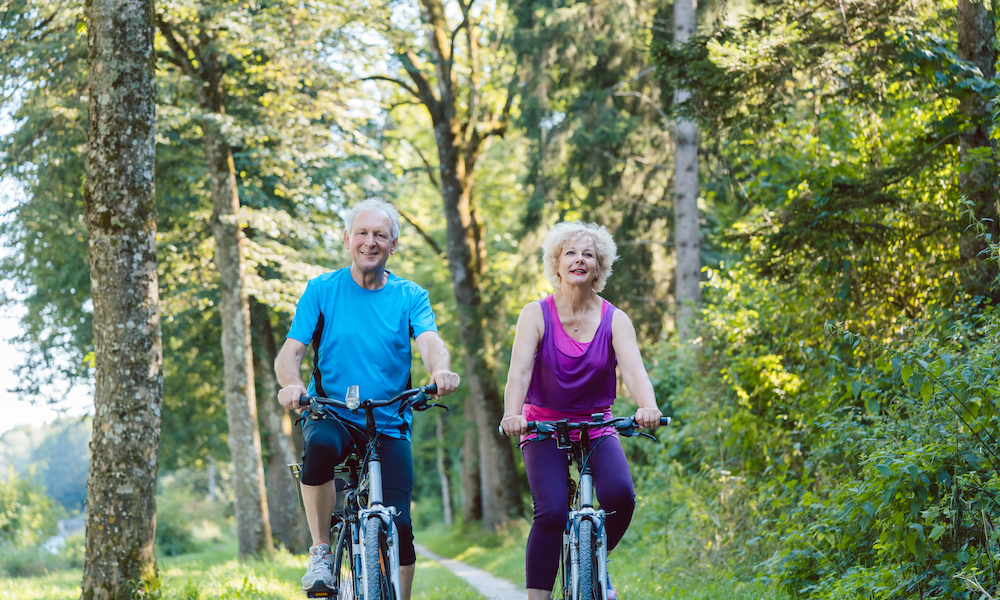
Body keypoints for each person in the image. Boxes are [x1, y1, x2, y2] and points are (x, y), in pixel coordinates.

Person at [275, 197, 460, 598]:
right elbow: (290, 352)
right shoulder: (322, 290)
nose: (370, 242)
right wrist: (293, 385)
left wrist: (439, 370)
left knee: (402, 526)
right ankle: (321, 552)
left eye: (380, 235)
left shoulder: (410, 294)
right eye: (362, 233)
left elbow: (429, 341)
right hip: (333, 413)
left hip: (389, 423)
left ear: (393, 245)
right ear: (347, 239)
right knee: (320, 445)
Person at [499, 221, 663, 600]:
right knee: (552, 511)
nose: (579, 260)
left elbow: (636, 372)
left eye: (588, 254)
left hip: (596, 425)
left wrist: (647, 406)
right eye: (570, 253)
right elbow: (519, 371)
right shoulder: (535, 314)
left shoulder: (615, 319)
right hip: (543, 426)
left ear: (599, 268)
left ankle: (592, 561)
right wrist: (513, 413)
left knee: (621, 496)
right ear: (556, 264)